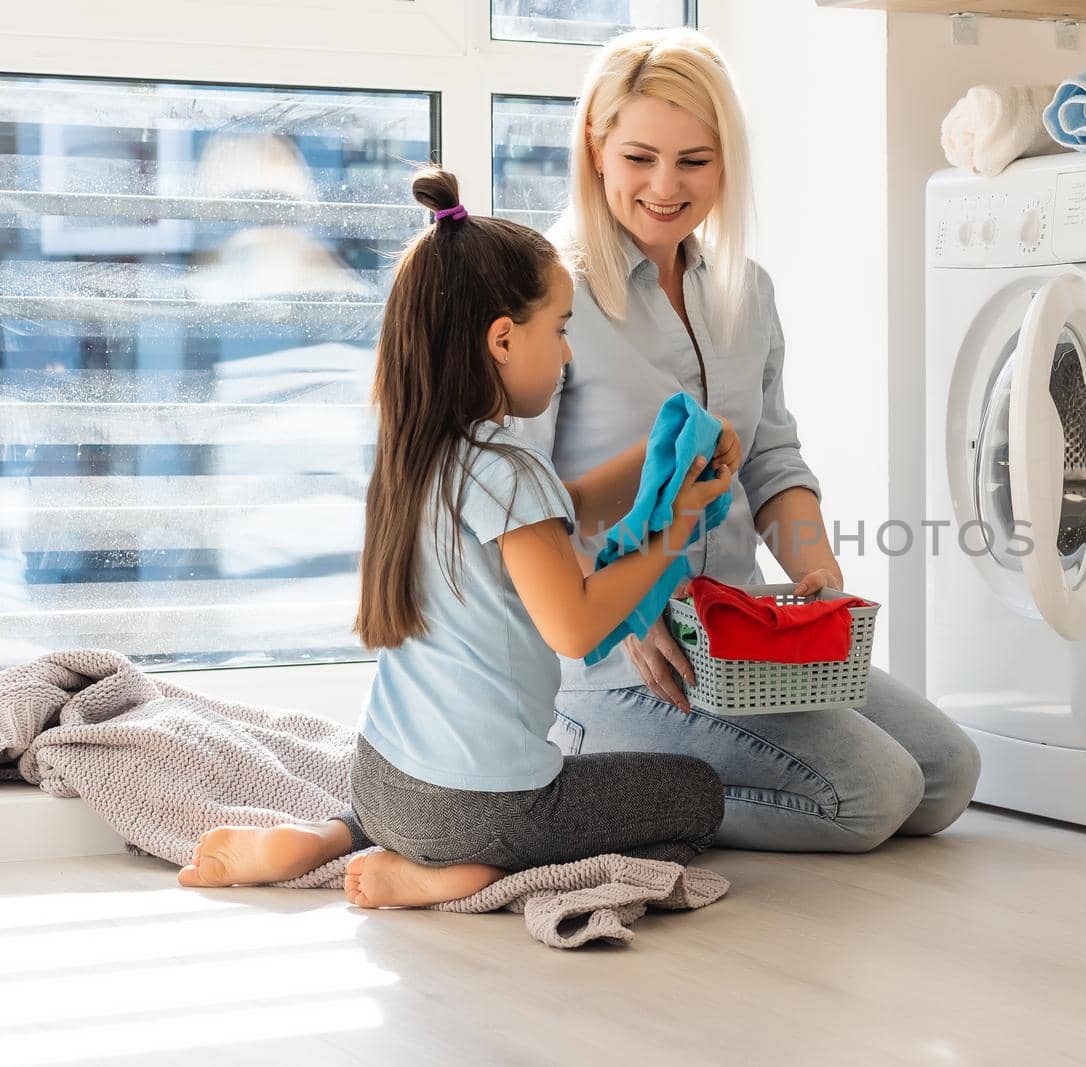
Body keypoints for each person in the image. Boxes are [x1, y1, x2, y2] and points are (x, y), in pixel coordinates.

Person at [178, 167, 739, 908]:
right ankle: (461, 874)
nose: (567, 355)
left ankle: (333, 834)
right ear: (502, 339)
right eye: (561, 330)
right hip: (487, 807)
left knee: (428, 807)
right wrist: (679, 527)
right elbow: (574, 625)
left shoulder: (425, 453)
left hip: (378, 778)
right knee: (695, 795)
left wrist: (660, 456)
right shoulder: (511, 469)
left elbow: (556, 510)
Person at [526, 28, 982, 853]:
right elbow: (520, 499)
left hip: (738, 633)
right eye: (640, 157)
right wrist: (624, 604)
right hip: (617, 655)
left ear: (726, 161)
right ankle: (591, 769)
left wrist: (816, 568)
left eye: (694, 161)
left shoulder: (746, 290)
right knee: (872, 795)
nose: (666, 186)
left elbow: (771, 456)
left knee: (946, 773)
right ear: (595, 147)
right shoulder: (548, 293)